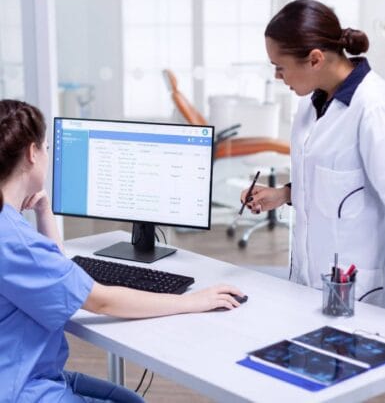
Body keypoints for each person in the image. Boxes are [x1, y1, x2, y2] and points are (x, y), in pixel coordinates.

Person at [0, 99, 244, 403]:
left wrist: (44, 211)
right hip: (21, 389)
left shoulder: (10, 230)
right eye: (46, 148)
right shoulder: (18, 243)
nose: (49, 156)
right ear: (31, 153)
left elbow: (55, 269)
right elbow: (100, 302)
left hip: (26, 374)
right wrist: (195, 300)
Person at [242, 0, 385, 305]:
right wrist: (284, 194)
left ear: (316, 59)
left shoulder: (373, 107)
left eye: (280, 68)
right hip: (307, 280)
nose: (278, 77)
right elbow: (341, 184)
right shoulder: (310, 104)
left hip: (358, 291)